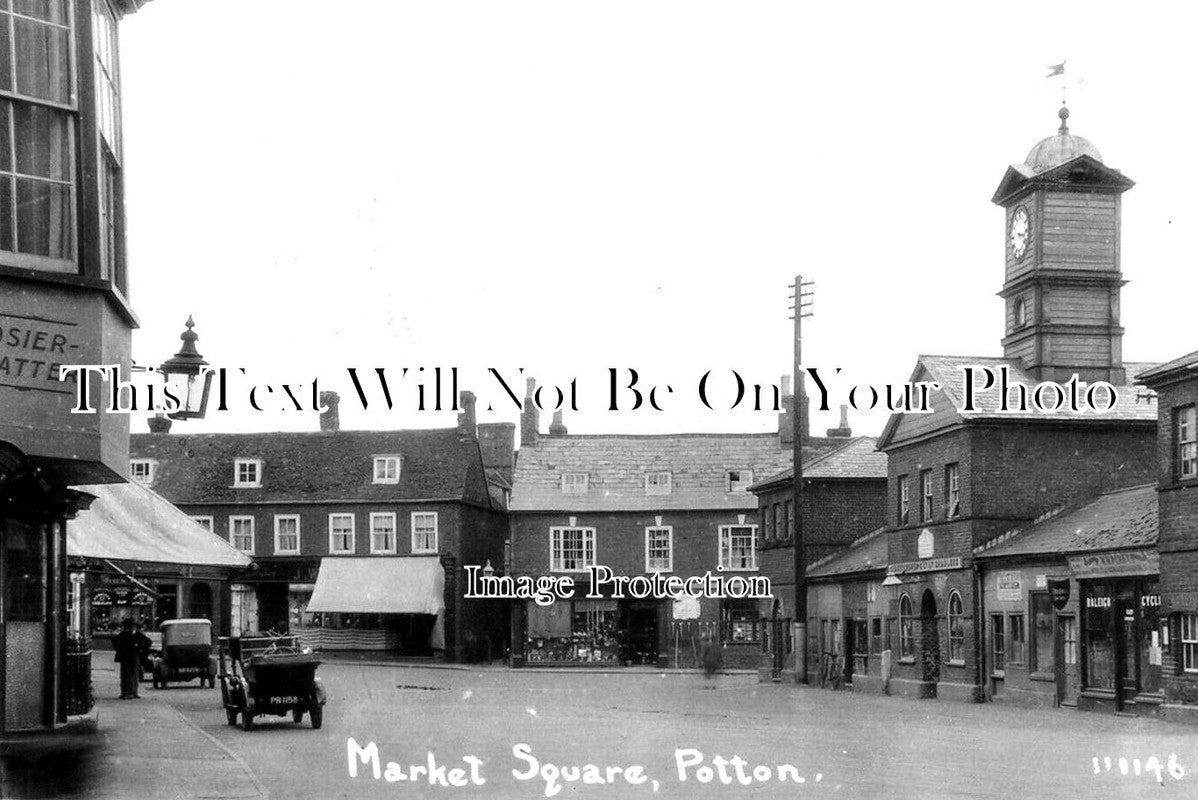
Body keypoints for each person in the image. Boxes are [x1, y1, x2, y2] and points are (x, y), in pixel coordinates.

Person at [113, 619, 151, 699]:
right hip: (127, 656)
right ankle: (127, 692)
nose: (130, 628)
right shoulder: (125, 634)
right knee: (127, 674)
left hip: (133, 656)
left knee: (132, 674)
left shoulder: (136, 634)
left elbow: (148, 642)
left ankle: (131, 692)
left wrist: (140, 648)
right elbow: (114, 640)